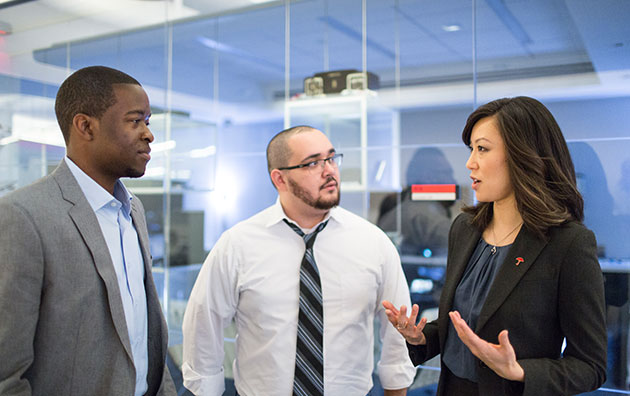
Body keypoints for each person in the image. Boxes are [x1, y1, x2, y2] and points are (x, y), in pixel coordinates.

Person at [382, 96, 607, 395]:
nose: (469, 162)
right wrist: (422, 338)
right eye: (471, 149)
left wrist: (521, 371)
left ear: (522, 155)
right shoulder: (464, 229)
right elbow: (463, 323)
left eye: (482, 149)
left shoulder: (569, 243)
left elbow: (590, 365)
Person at [182, 126, 416, 395]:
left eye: (331, 158)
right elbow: (203, 327)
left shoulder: (373, 243)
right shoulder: (237, 245)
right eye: (313, 163)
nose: (329, 171)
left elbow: (398, 336)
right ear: (279, 179)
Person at [0, 66, 176, 396]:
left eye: (148, 122)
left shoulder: (132, 211)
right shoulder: (23, 216)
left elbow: (145, 334)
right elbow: (5, 373)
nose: (149, 134)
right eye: (135, 120)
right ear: (85, 126)